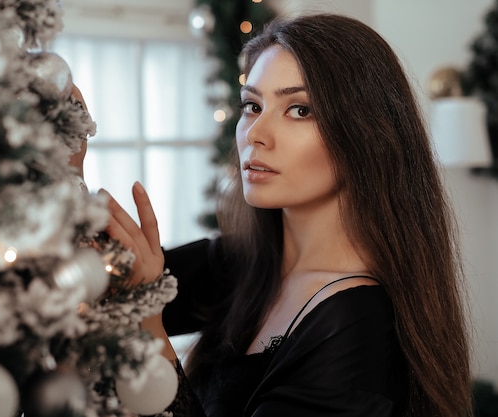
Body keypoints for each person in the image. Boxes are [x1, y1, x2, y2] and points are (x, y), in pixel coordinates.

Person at [101, 13, 472, 417]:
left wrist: (146, 321)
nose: (256, 132)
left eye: (299, 110)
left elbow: (133, 311)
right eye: (252, 105)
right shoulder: (240, 264)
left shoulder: (359, 326)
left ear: (366, 135)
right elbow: (78, 303)